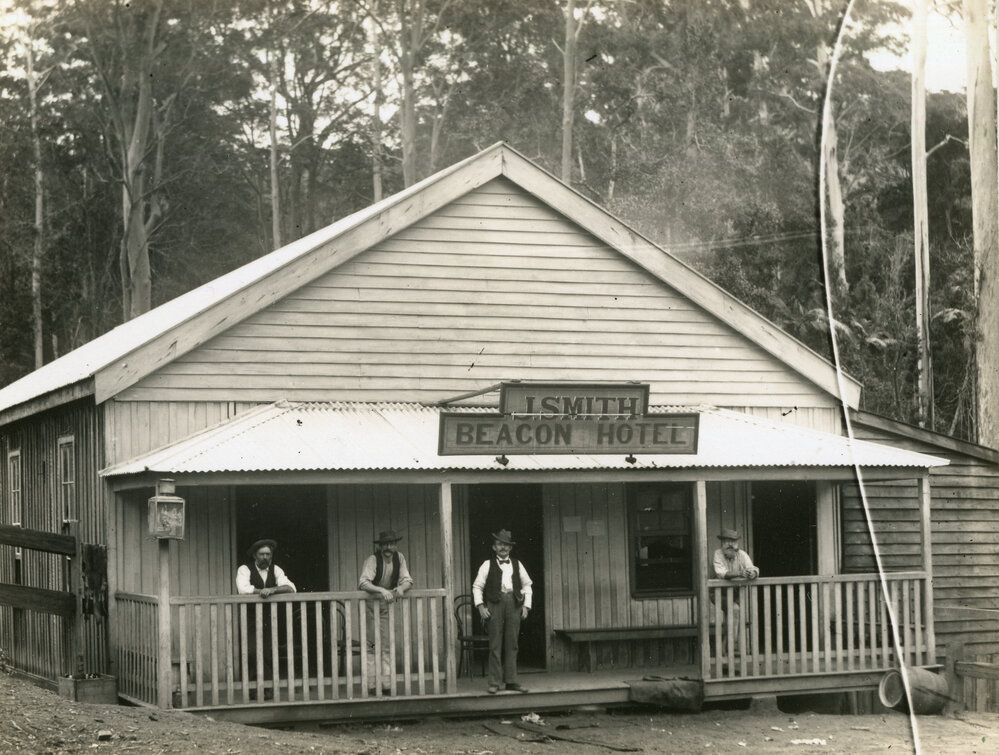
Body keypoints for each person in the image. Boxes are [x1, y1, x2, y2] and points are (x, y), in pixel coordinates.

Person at [472, 529, 533, 694]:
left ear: (510, 548)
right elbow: (477, 587)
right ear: (494, 547)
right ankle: (494, 682)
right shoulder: (487, 564)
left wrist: (526, 606)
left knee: (512, 644)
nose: (503, 547)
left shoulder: (517, 564)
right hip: (494, 604)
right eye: (500, 544)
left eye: (506, 545)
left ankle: (511, 681)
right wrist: (480, 607)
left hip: (514, 603)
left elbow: (527, 585)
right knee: (495, 644)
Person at [235, 539, 296, 697]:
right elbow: (243, 589)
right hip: (250, 618)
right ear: (255, 555)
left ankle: (267, 689)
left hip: (270, 618)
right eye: (261, 554)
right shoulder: (245, 569)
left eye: (268, 554)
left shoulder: (276, 570)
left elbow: (291, 588)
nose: (265, 557)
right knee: (252, 652)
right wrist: (261, 592)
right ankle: (253, 689)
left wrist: (272, 590)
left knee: (268, 652)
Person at [358, 529, 413, 694]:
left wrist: (402, 588)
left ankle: (387, 685)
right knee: (372, 646)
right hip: (370, 606)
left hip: (386, 606)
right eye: (385, 545)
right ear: (380, 547)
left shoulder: (399, 558)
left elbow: (407, 580)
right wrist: (382, 590)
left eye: (391, 544)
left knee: (387, 645)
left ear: (396, 545)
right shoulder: (373, 560)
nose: (388, 547)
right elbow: (363, 583)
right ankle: (372, 685)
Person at [711, 528, 758, 655]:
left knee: (732, 618)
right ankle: (733, 646)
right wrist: (740, 573)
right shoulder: (718, 554)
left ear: (737, 543)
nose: (730, 544)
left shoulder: (742, 554)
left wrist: (752, 573)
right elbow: (722, 574)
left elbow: (752, 568)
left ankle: (725, 649)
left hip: (736, 593)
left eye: (733, 541)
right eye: (727, 541)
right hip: (718, 593)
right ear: (722, 542)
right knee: (735, 610)